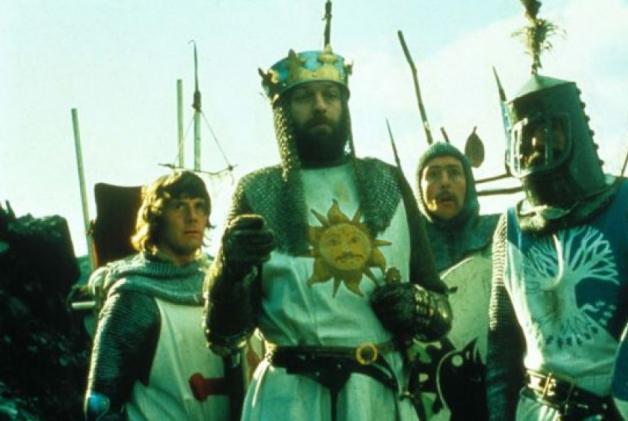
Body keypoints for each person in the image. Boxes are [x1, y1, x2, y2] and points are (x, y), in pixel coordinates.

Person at [203, 44, 452, 421]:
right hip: (289, 402)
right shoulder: (258, 192)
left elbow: (441, 309)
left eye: (330, 95)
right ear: (282, 110)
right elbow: (225, 339)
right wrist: (228, 273)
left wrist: (416, 307)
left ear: (345, 104)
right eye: (304, 97)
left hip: (378, 396)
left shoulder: (387, 181)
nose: (319, 105)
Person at [485, 70, 628, 420]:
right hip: (537, 411)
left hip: (623, 410)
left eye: (548, 129)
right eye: (527, 133)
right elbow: (502, 346)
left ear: (573, 128)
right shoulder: (510, 228)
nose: (536, 143)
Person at [84, 171, 237, 420]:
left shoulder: (218, 290)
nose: (192, 216)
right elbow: (101, 403)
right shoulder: (134, 297)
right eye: (180, 206)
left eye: (199, 206)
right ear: (156, 218)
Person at [413, 142, 498, 420]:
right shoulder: (405, 248)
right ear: (419, 188)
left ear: (468, 182)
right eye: (433, 174)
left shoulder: (501, 233)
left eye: (454, 172)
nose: (445, 182)